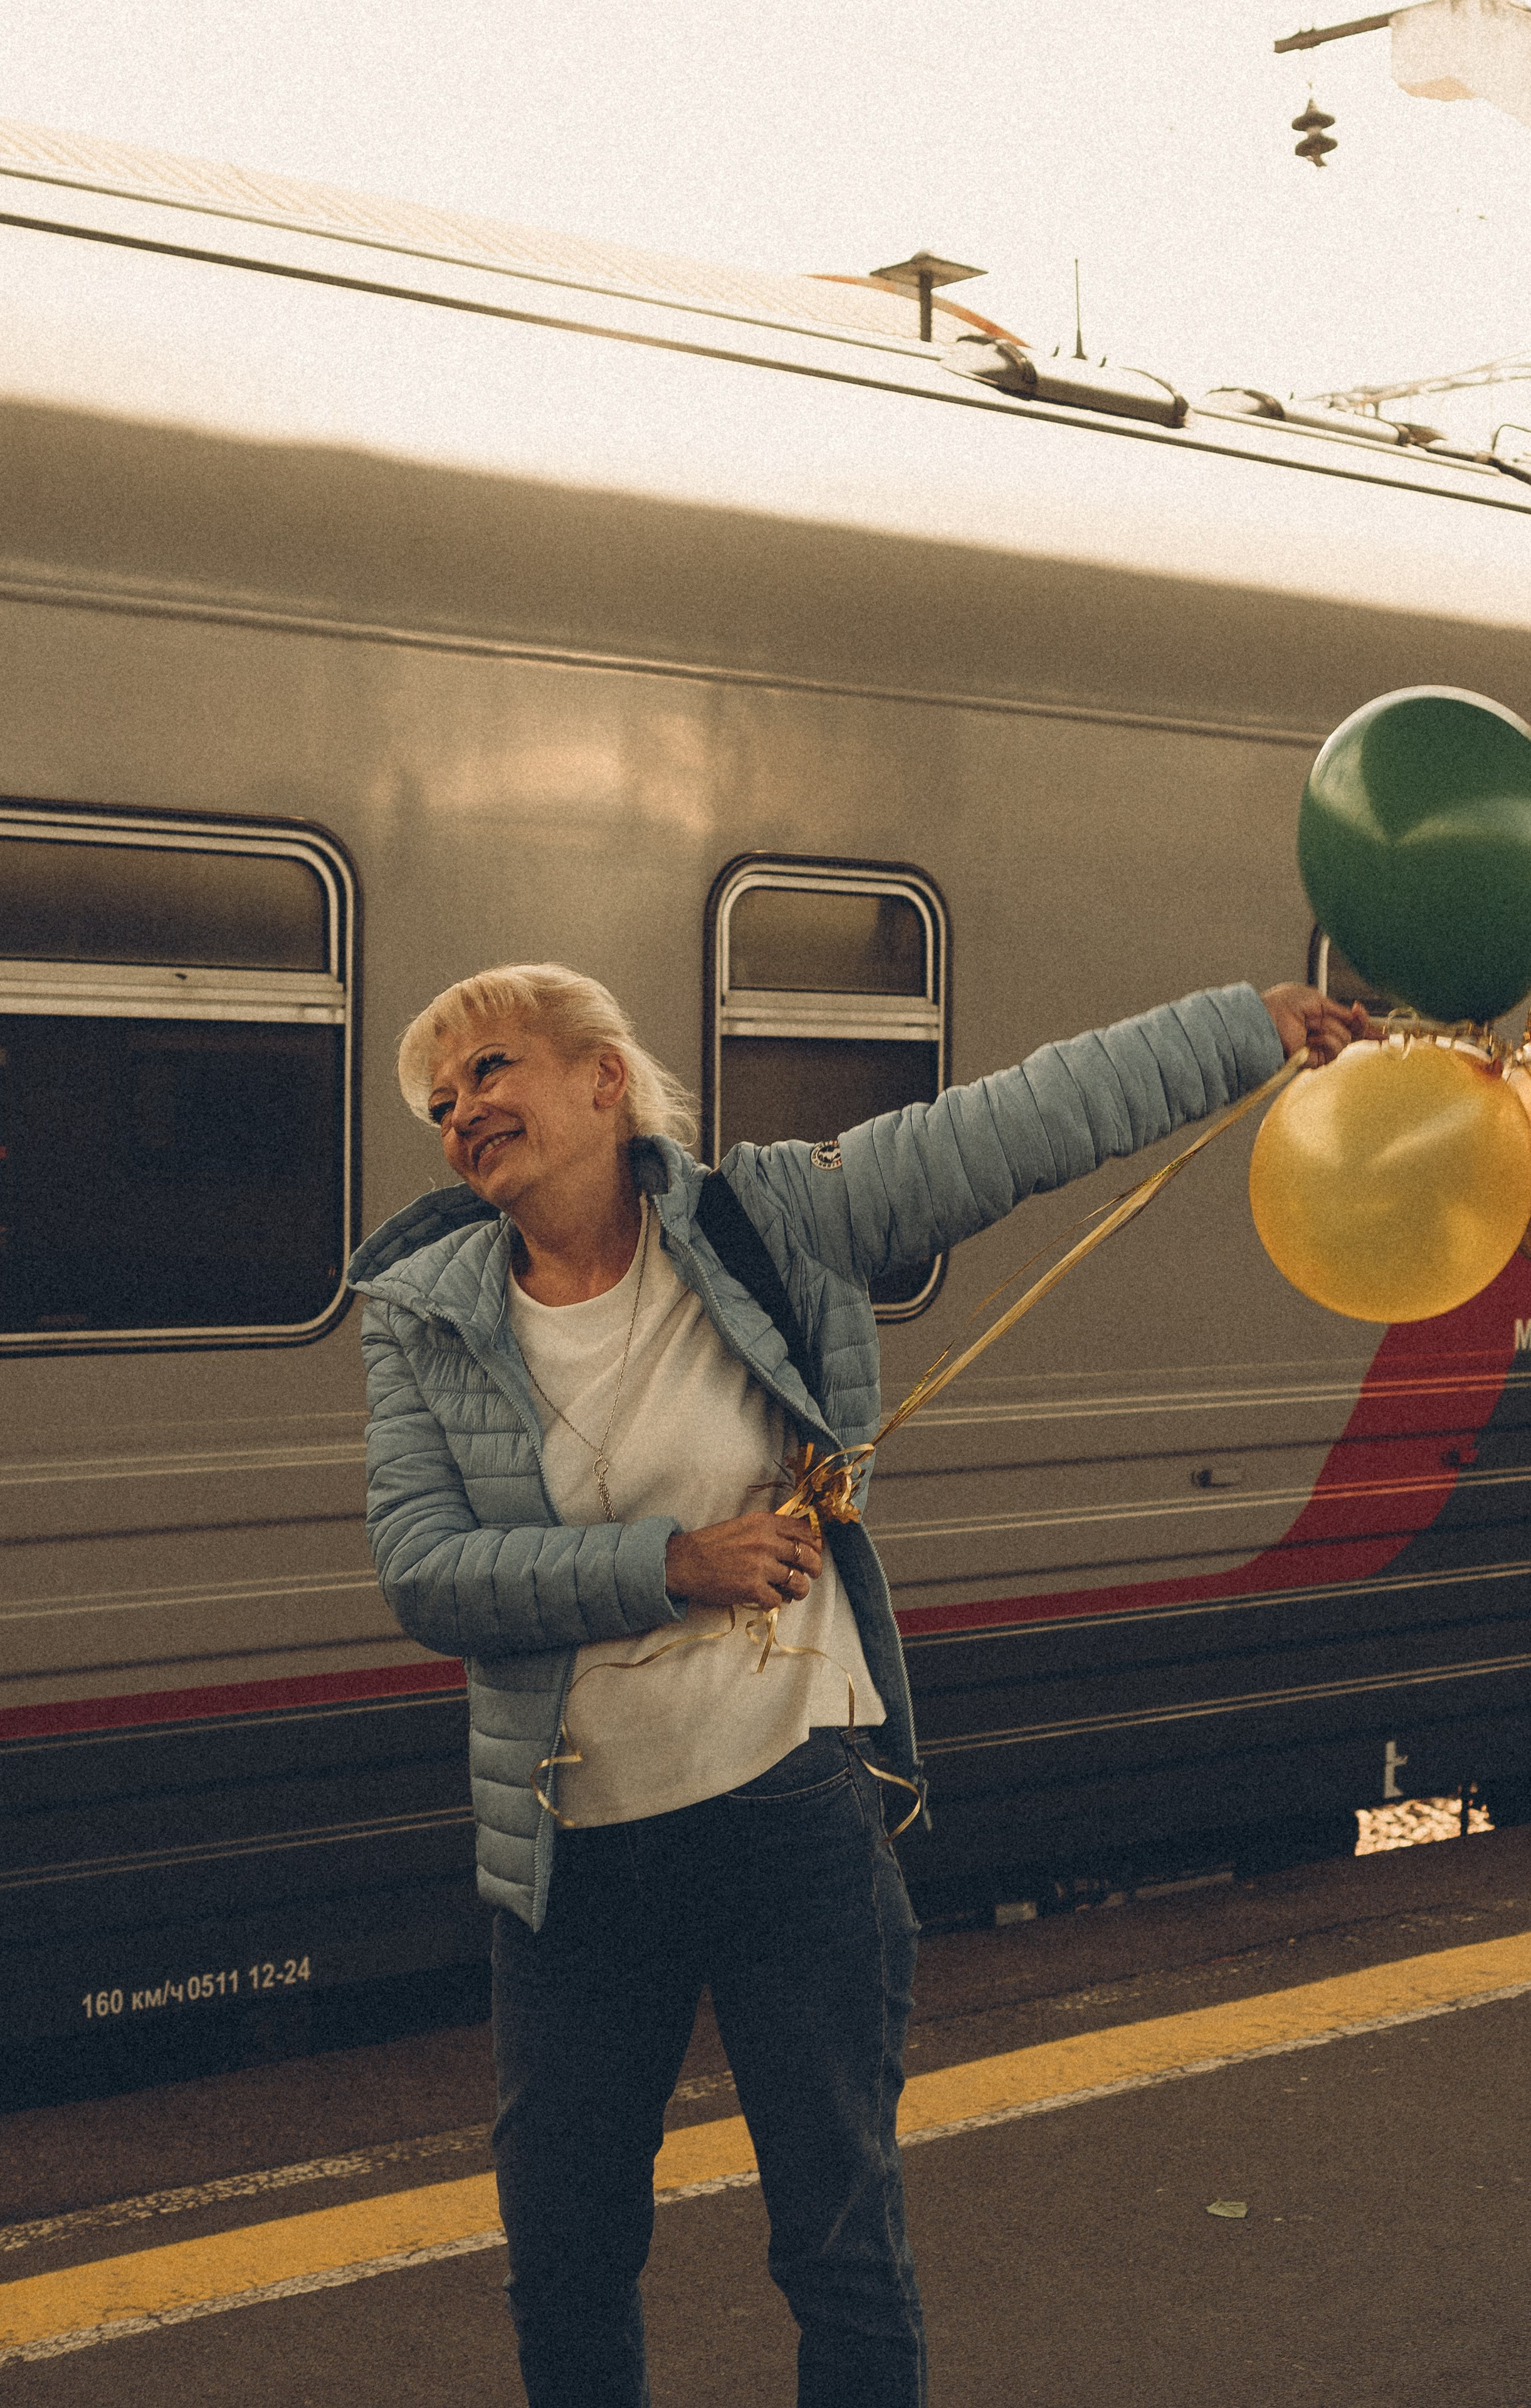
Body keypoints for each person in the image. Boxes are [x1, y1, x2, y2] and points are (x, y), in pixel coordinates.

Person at [349, 964, 1362, 2408]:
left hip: (786, 1807)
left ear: (602, 1079)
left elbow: (1010, 1126)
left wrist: (1239, 1030)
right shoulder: (425, 1317)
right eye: (440, 1101)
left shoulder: (767, 1218)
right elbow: (426, 1572)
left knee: (836, 2241)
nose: (461, 1111)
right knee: (564, 2252)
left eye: (491, 1069)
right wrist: (670, 1563)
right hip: (571, 1853)